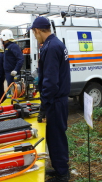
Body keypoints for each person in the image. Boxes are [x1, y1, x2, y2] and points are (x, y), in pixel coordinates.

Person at [29, 17, 71, 182]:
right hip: (57, 99)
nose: (34, 36)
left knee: (56, 136)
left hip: (55, 100)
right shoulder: (55, 44)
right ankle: (59, 168)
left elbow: (51, 82)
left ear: (38, 30)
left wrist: (45, 105)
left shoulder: (51, 47)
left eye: (34, 33)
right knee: (55, 136)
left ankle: (62, 174)